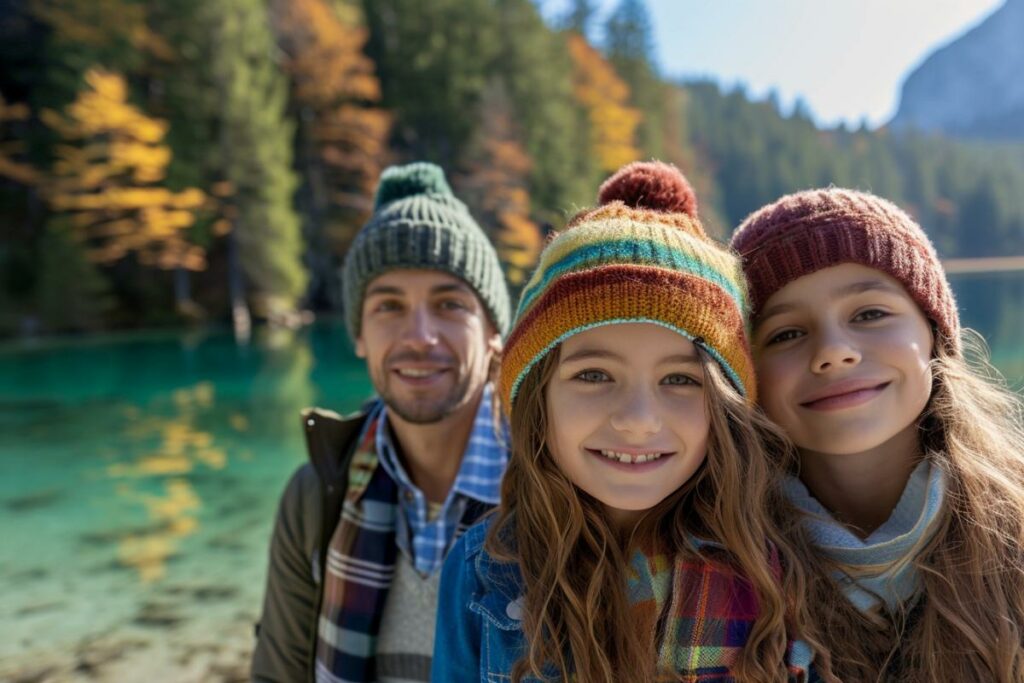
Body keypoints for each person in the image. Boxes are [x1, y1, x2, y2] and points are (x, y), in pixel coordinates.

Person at [433, 161, 823, 683]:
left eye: (681, 380)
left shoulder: (779, 570)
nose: (638, 421)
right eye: (594, 374)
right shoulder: (483, 569)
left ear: (726, 405)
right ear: (538, 398)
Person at [731, 188, 1024, 681]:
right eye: (785, 333)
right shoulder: (718, 563)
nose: (834, 351)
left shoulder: (1013, 536)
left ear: (934, 333)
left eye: (869, 314)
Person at [251, 162, 512, 683]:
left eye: (449, 304)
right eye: (388, 305)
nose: (419, 336)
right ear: (360, 336)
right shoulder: (317, 496)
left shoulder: (558, 490)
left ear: (492, 334)